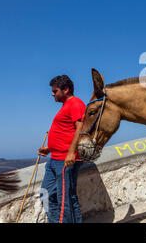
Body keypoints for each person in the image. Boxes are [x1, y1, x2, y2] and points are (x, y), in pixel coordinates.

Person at [38, 75, 86, 223]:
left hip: (65, 160)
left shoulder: (75, 103)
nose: (52, 94)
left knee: (66, 201)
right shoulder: (66, 106)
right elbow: (66, 131)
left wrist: (71, 153)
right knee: (46, 194)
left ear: (66, 89)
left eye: (55, 90)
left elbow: (80, 128)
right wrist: (50, 148)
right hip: (55, 159)